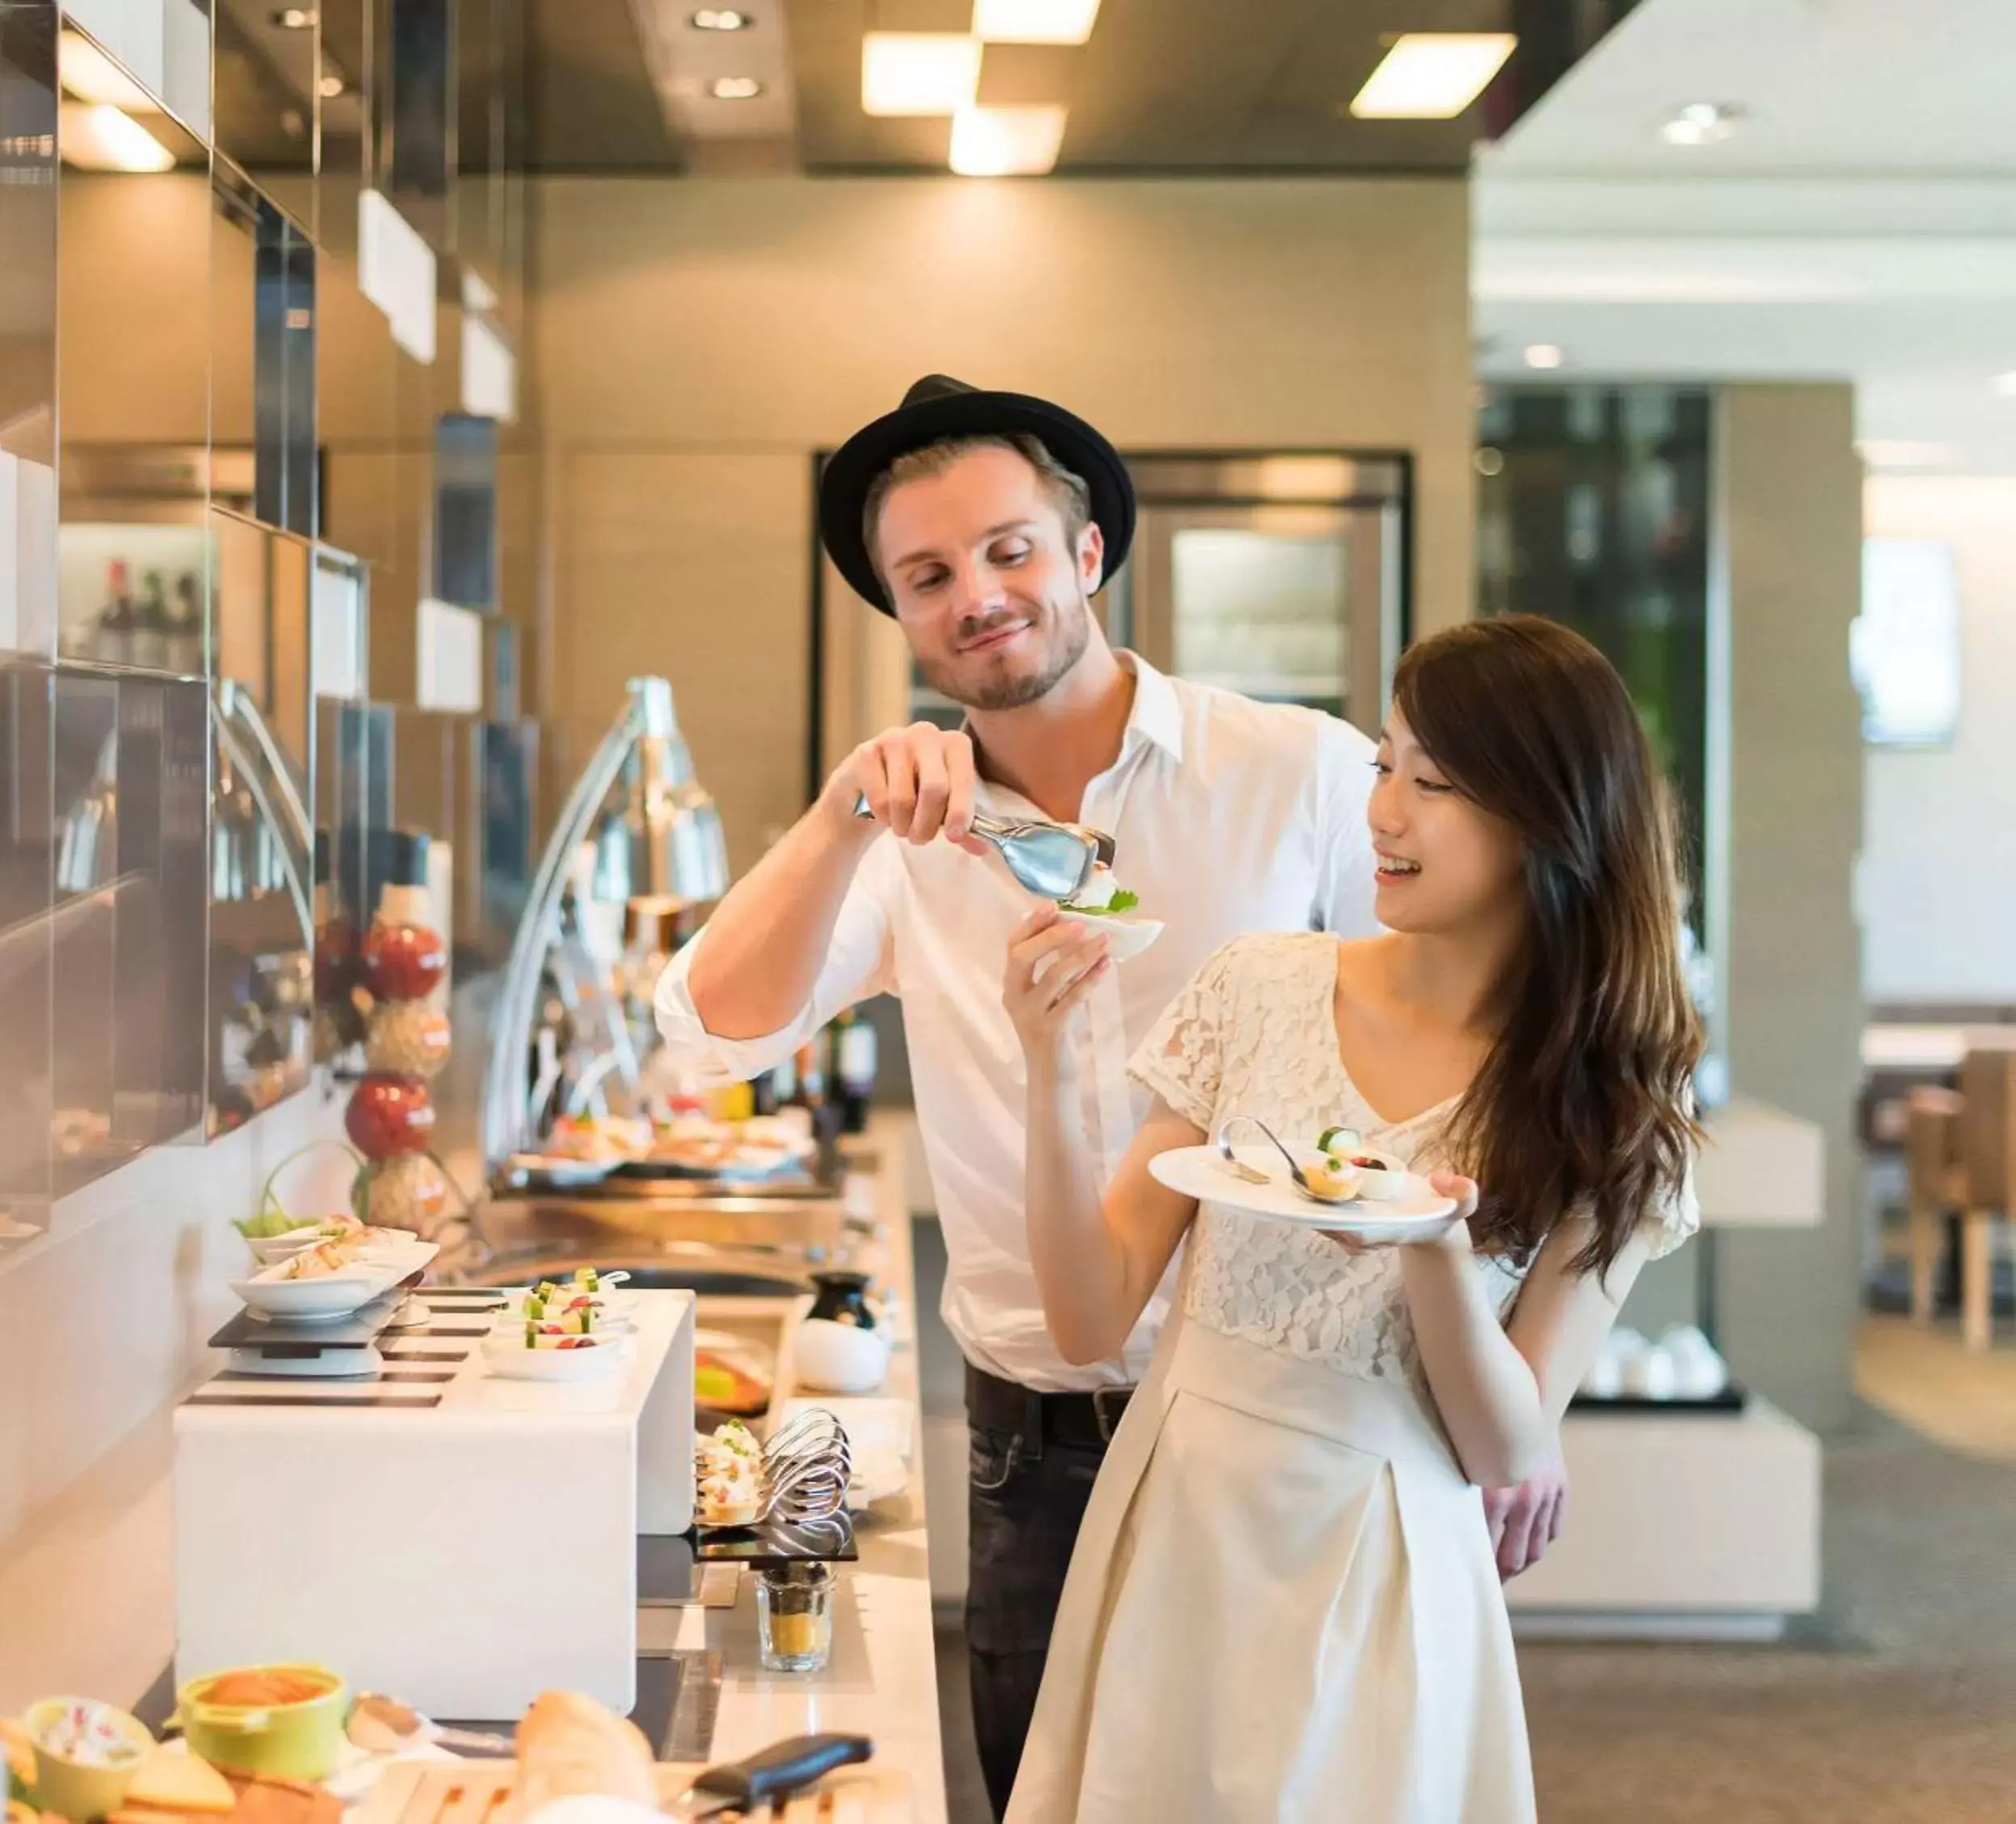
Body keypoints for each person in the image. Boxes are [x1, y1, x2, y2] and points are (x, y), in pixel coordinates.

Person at [649, 375, 1568, 1814]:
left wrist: (1520, 1377)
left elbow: (1466, 1039)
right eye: (930, 575)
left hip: (1314, 1442)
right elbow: (710, 1034)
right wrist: (844, 811)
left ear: (1087, 555)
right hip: (1047, 1436)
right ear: (900, 611)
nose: (978, 595)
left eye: (1010, 549)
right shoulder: (905, 833)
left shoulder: (1303, 774)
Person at [999, 615, 1705, 1823]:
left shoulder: (1614, 1098)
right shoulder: (1261, 981)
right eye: (1384, 765)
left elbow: (1508, 1445)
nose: (1384, 813)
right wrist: (1048, 1060)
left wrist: (1432, 1252)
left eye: (1433, 783)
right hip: (1177, 1525)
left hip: (1386, 1559)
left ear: (1551, 819)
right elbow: (1086, 1313)